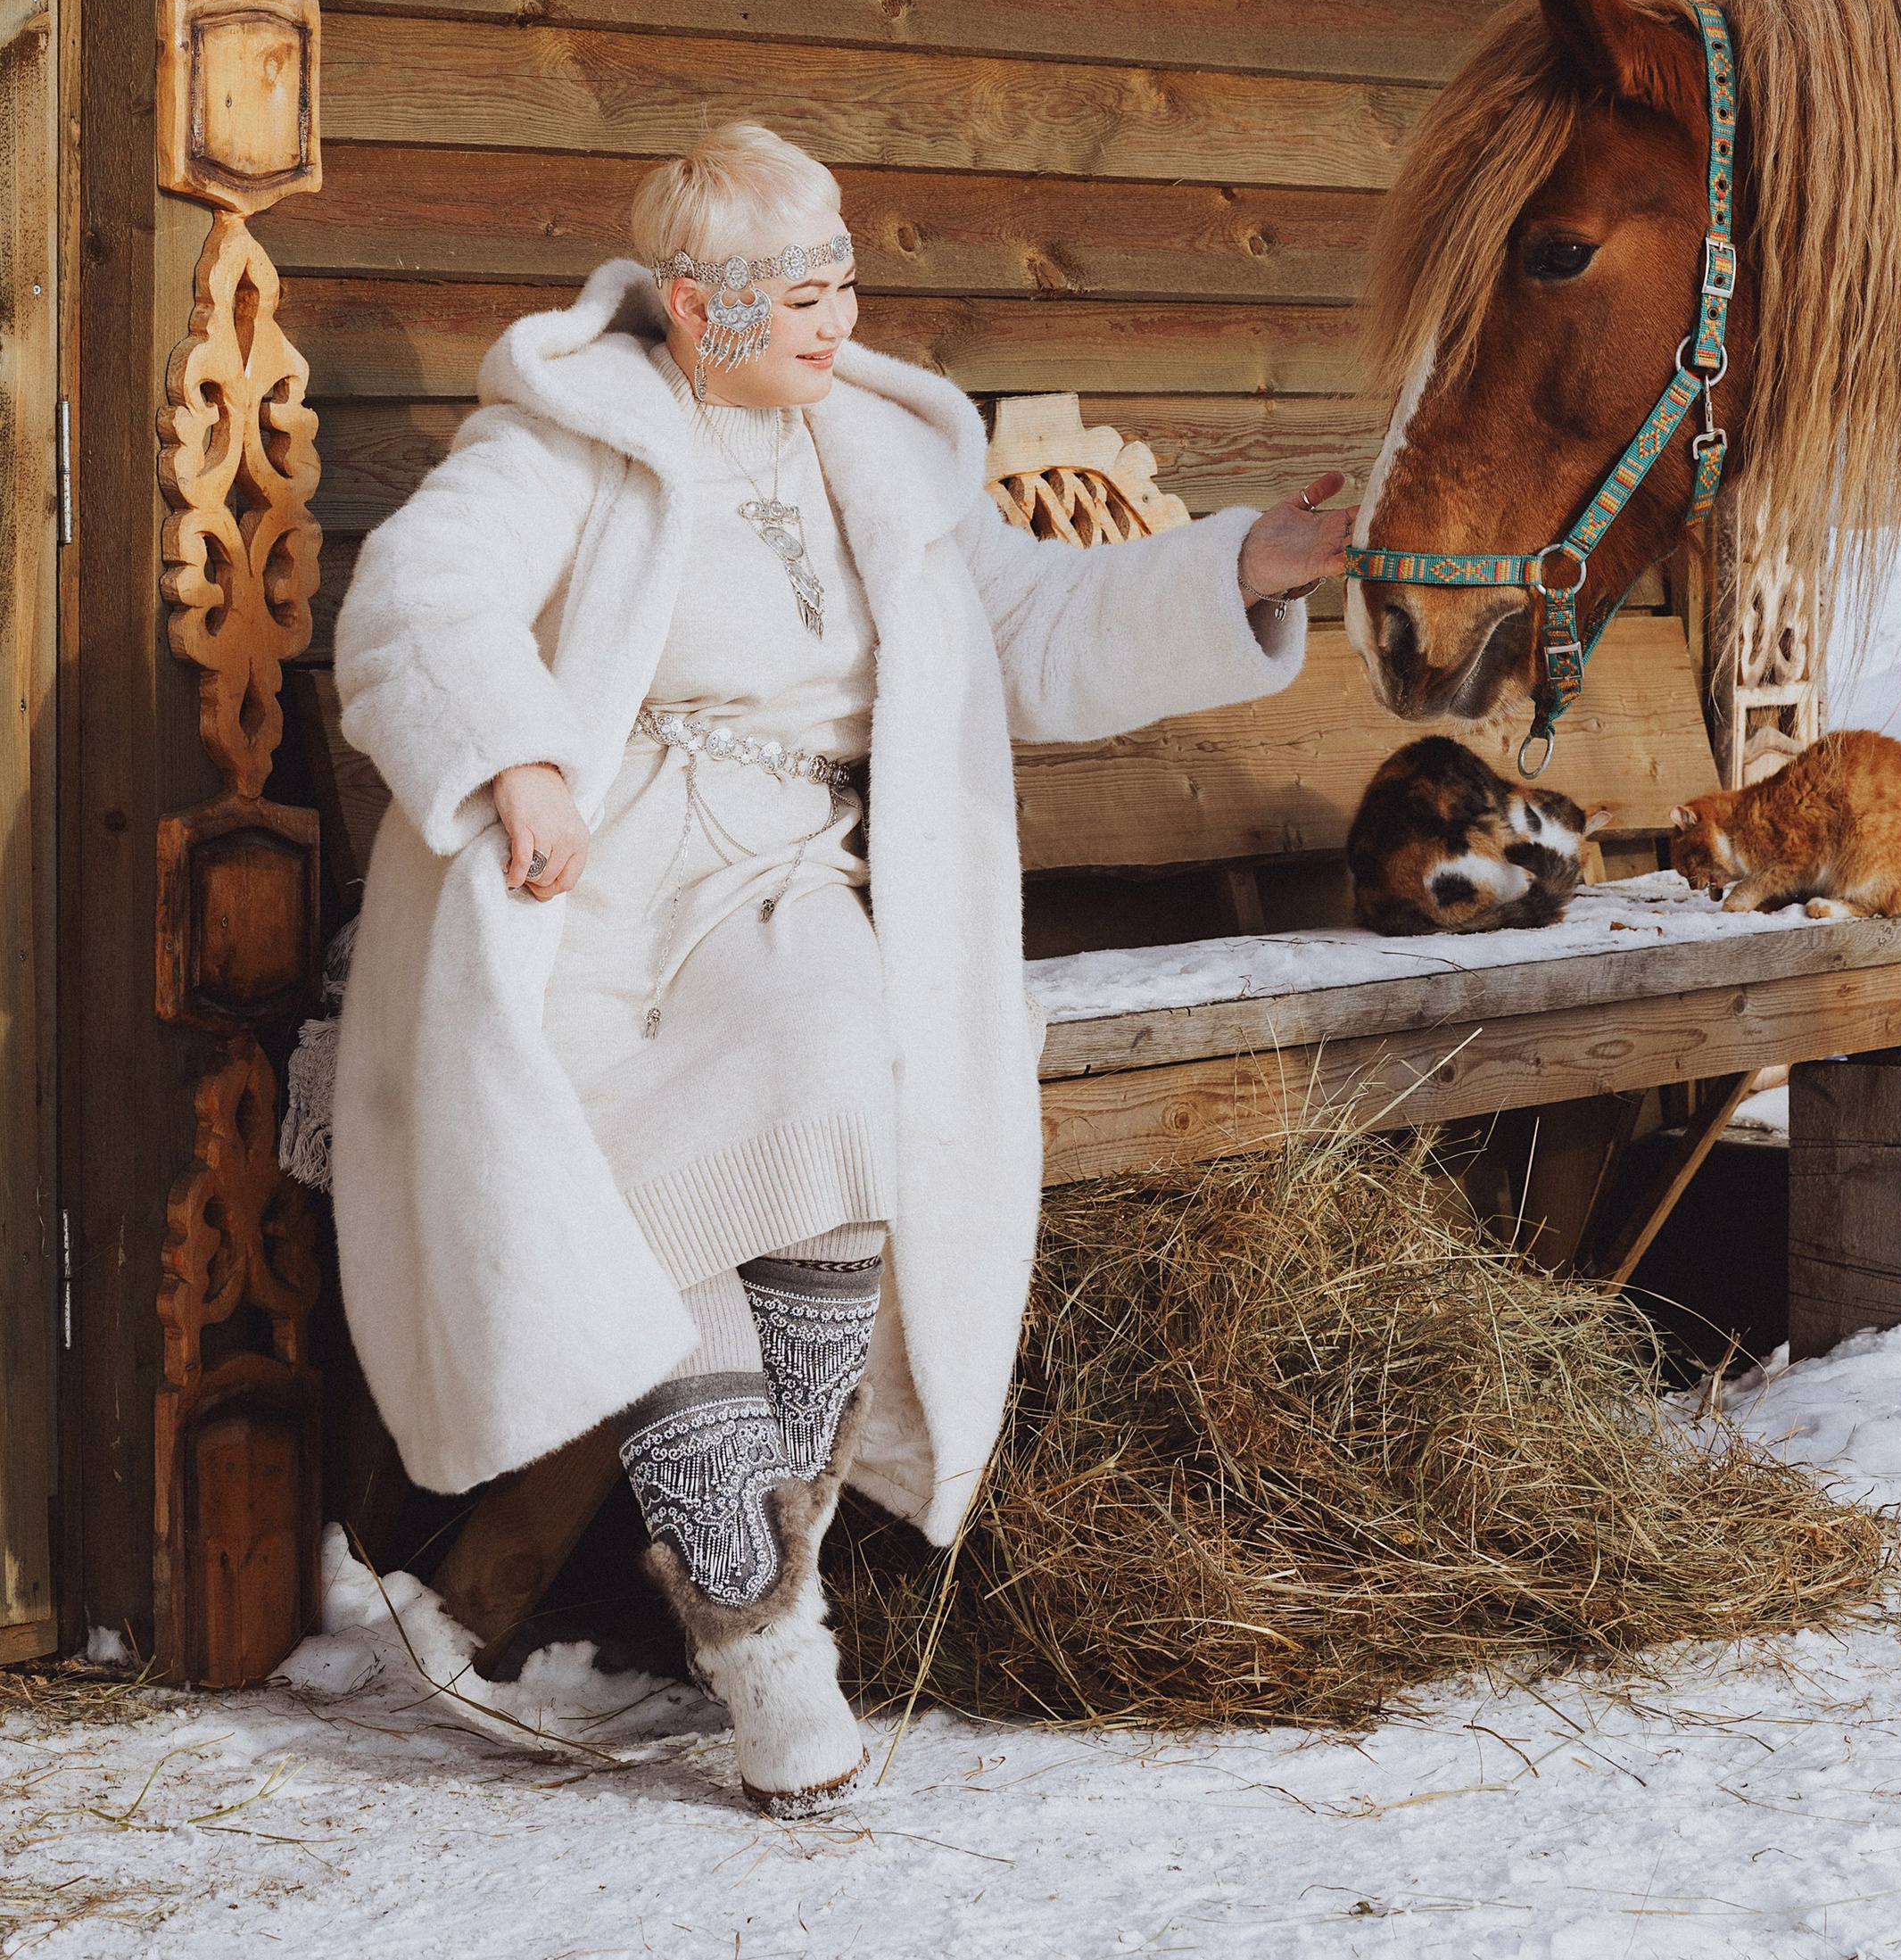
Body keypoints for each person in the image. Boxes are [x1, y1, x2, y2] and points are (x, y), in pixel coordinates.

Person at [327, 120, 1354, 1807]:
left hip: (785, 875)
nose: (835, 311)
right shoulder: (569, 431)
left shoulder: (881, 449)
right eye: (797, 289)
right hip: (588, 881)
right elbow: (419, 599)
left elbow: (1035, 631)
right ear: (694, 303)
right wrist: (515, 755)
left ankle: (756, 1571)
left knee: (841, 1113)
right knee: (623, 1212)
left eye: (843, 276)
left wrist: (1245, 563)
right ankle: (767, 1654)